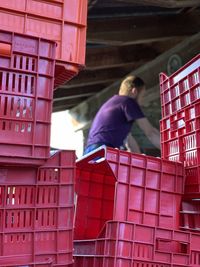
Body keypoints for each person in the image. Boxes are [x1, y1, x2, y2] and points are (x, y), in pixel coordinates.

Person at [84, 75, 160, 154]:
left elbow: (130, 142)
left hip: (89, 153)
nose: (141, 101)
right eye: (142, 96)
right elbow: (151, 133)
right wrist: (170, 151)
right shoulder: (128, 102)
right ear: (134, 91)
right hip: (103, 150)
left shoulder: (114, 104)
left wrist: (140, 159)